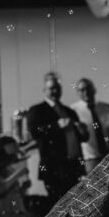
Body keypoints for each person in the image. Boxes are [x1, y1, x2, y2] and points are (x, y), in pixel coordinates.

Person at [26, 73, 89, 206]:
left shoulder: (69, 111)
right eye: (51, 88)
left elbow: (83, 138)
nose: (55, 91)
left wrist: (83, 131)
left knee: (75, 205)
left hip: (73, 167)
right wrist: (56, 125)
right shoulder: (37, 110)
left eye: (57, 88)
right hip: (53, 168)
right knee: (58, 207)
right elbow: (34, 132)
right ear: (44, 90)